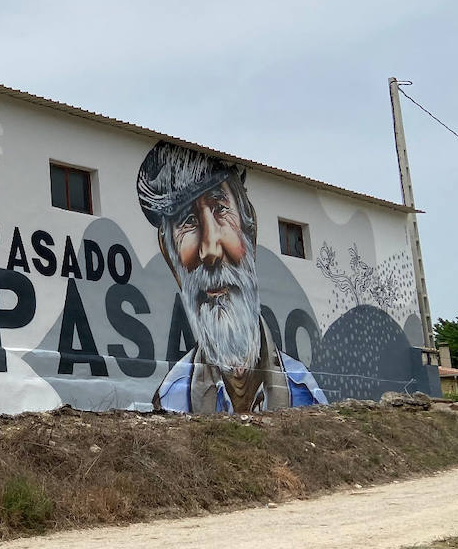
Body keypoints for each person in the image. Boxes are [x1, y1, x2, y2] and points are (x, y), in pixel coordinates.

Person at [135, 141, 327, 413]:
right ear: (170, 256)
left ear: (251, 230)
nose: (210, 249)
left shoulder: (307, 392)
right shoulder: (170, 402)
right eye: (188, 221)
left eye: (220, 208)